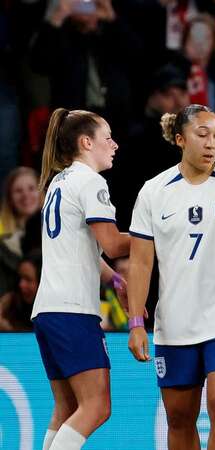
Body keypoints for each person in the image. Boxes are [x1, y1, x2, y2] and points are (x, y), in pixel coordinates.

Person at [126, 104, 215, 450]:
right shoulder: (154, 191)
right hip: (175, 324)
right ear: (179, 139)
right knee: (180, 418)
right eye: (202, 135)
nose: (212, 143)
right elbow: (141, 263)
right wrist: (136, 322)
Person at [32, 108, 130, 450]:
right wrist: (158, 232)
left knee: (67, 408)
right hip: (73, 310)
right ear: (86, 142)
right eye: (108, 138)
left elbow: (80, 248)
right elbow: (115, 243)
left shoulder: (58, 181)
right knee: (96, 406)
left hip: (47, 309)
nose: (115, 145)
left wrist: (116, 280)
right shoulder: (90, 181)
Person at [0, 167, 40, 295]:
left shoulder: (59, 227)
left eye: (31, 188)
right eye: (18, 191)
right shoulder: (3, 239)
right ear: (10, 198)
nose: (25, 195)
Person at [0, 251, 41, 331]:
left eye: (28, 279)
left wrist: (10, 330)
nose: (21, 285)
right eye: (20, 278)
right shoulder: (12, 301)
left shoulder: (53, 314)